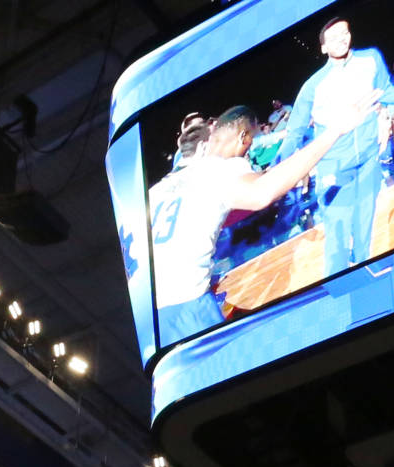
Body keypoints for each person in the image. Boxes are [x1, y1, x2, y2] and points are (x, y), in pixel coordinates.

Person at [146, 106, 360, 343]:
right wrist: (335, 132)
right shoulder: (220, 169)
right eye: (250, 143)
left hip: (149, 318)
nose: (248, 152)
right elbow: (262, 193)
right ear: (242, 138)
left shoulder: (156, 190)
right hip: (186, 308)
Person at [280, 16, 394, 275]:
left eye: (345, 33)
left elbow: (387, 92)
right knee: (337, 235)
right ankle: (338, 290)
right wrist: (277, 170)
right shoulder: (313, 86)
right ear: (323, 47)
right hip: (335, 169)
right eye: (333, 37)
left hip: (369, 160)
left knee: (363, 227)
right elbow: (295, 132)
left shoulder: (370, 60)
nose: (341, 40)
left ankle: (364, 269)